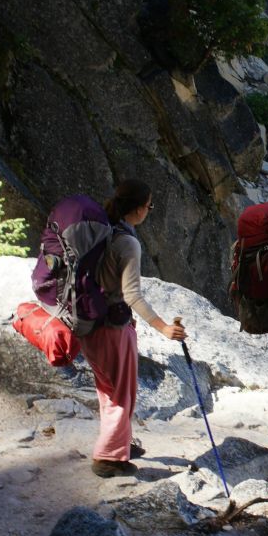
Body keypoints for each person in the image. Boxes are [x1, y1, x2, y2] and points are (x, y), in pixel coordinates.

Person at [83, 179, 186, 478]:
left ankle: (120, 441)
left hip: (90, 323)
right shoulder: (127, 242)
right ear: (140, 209)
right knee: (121, 393)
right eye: (150, 206)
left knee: (108, 388)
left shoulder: (103, 230)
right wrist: (163, 327)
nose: (149, 211)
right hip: (112, 328)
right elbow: (132, 295)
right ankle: (108, 458)